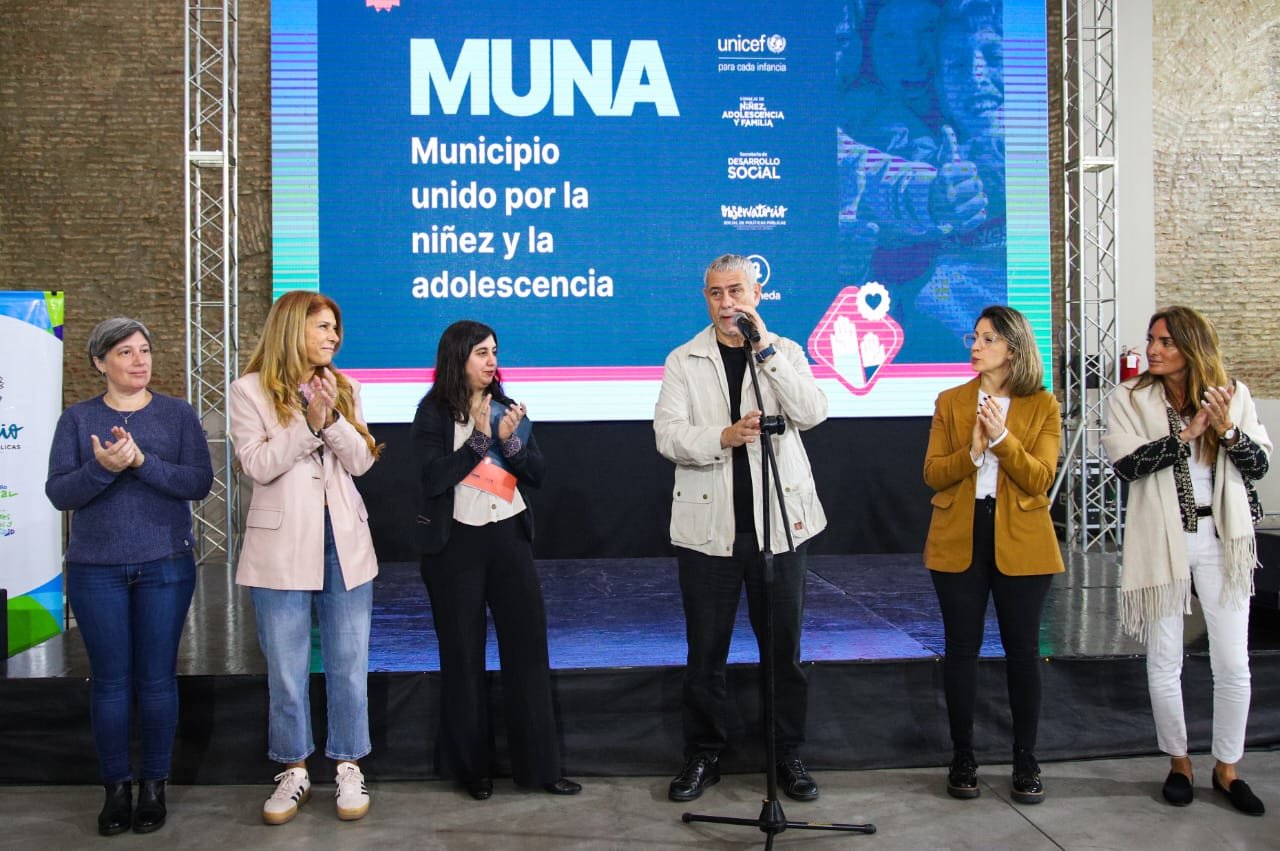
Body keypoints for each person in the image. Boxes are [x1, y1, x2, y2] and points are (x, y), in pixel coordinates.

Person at [654, 254, 829, 802]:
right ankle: (704, 755)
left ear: (756, 295)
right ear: (705, 300)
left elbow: (813, 412)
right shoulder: (683, 359)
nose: (726, 302)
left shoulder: (785, 351)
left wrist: (767, 351)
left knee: (784, 652)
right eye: (716, 293)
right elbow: (667, 435)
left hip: (780, 527)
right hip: (709, 533)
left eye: (736, 291)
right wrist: (722, 437)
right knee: (705, 654)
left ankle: (786, 753)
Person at [45, 317, 214, 835]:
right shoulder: (77, 420)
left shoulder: (177, 414)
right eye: (125, 352)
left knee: (157, 678)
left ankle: (154, 787)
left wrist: (141, 461)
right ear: (100, 362)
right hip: (95, 569)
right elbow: (59, 493)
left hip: (165, 564)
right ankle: (116, 788)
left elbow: (199, 483)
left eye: (144, 350)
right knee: (111, 682)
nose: (139, 360)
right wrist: (103, 468)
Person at [1102, 306, 1270, 816]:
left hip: (1223, 539)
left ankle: (1227, 768)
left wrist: (1228, 430)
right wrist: (1186, 434)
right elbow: (1126, 465)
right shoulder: (1130, 397)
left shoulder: (1233, 395)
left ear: (1192, 347)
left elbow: (1259, 465)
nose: (1152, 350)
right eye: (1151, 339)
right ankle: (1179, 763)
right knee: (1164, 659)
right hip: (1162, 540)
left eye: (1166, 342)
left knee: (1232, 662)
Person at [228, 291, 382, 825]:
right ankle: (293, 769)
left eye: (335, 328)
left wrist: (331, 418)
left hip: (344, 541)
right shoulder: (249, 391)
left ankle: (348, 764)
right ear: (292, 328)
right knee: (287, 667)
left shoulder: (346, 386)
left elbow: (361, 461)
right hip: (281, 546)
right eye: (323, 327)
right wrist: (307, 425)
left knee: (349, 662)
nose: (333, 337)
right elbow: (257, 464)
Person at [411, 319, 580, 800]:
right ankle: (472, 770)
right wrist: (480, 440)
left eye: (495, 352)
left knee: (528, 652)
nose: (492, 361)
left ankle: (541, 768)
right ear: (457, 357)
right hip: (455, 546)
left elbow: (537, 473)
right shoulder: (432, 413)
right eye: (481, 353)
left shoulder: (507, 407)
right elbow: (432, 479)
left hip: (508, 536)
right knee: (462, 656)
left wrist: (510, 442)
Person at [922, 305, 1062, 804]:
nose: (976, 347)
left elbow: (1040, 478)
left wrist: (1001, 440)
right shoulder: (951, 401)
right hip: (960, 535)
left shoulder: (1042, 405)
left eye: (987, 339)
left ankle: (1026, 758)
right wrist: (974, 452)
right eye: (974, 337)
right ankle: (963, 756)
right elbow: (933, 474)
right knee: (961, 650)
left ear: (1013, 349)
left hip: (1022, 538)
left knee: (1023, 652)